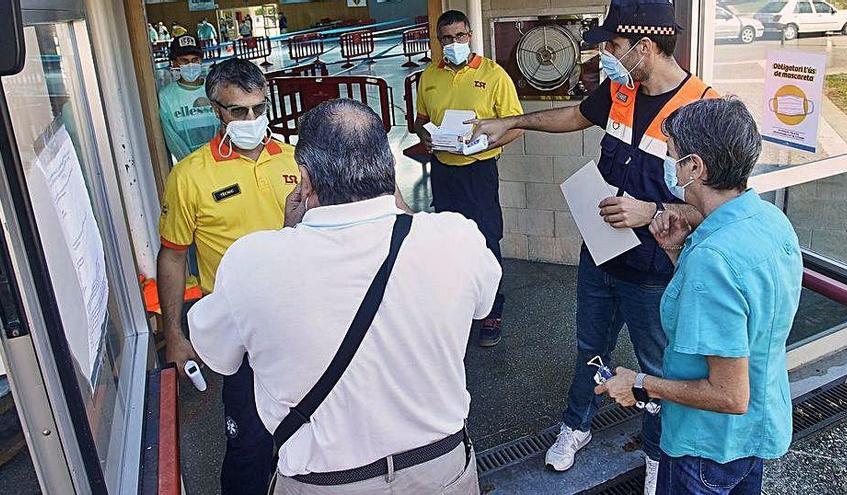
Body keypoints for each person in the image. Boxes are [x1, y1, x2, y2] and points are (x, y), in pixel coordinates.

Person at [188, 98, 501, 494]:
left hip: (326, 482)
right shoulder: (456, 237)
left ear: (304, 179)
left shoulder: (251, 261)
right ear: (387, 166)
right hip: (441, 470)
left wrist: (287, 232)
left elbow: (220, 353)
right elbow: (484, 302)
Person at [468, 0, 718, 491]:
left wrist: (653, 214)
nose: (606, 53)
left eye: (614, 46)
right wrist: (513, 123)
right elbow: (576, 117)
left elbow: (717, 208)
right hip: (600, 254)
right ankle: (577, 425)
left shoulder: (703, 110)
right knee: (590, 347)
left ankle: (655, 453)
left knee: (656, 366)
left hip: (653, 270)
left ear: (644, 48)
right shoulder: (621, 88)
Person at [597, 97, 802, 495]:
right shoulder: (769, 220)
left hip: (706, 446)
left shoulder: (714, 257)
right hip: (758, 429)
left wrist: (640, 382)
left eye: (672, 156)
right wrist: (675, 252)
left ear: (695, 167)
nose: (669, 168)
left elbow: (729, 395)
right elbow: (731, 314)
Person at [157, 58, 301, 494]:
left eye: (259, 108)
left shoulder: (296, 160)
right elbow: (173, 257)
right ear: (216, 110)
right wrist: (175, 334)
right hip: (240, 334)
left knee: (309, 431)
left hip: (300, 319)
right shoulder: (190, 177)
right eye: (239, 111)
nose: (252, 120)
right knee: (249, 445)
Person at [414, 9, 523, 347]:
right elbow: (419, 120)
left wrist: (487, 141)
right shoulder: (429, 76)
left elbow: (515, 125)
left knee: (486, 238)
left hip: (478, 171)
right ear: (438, 40)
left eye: (460, 36)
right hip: (443, 170)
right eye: (446, 38)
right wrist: (425, 135)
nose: (453, 43)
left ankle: (492, 310)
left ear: (470, 36)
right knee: (448, 240)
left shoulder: (493, 75)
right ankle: (458, 306)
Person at [158, 35, 219, 163]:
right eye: (184, 61)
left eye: (195, 59)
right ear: (174, 63)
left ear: (201, 61)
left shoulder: (215, 88)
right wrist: (191, 165)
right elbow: (172, 138)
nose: (191, 65)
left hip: (221, 160)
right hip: (190, 166)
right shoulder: (166, 96)